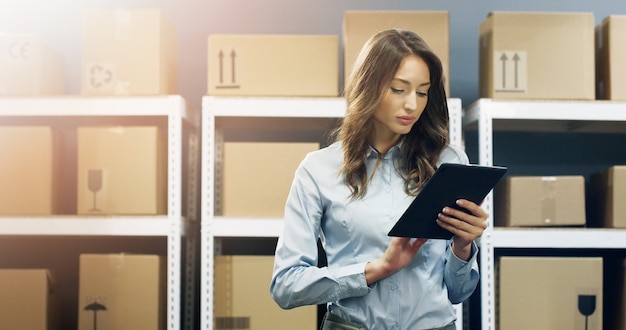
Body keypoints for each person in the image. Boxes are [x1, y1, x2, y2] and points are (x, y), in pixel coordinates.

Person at [270, 29, 487, 330]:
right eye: (399, 89)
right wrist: (375, 270)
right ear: (368, 86)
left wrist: (462, 247)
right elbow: (286, 284)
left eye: (422, 92)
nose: (412, 104)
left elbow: (458, 292)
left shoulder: (449, 163)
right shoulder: (318, 170)